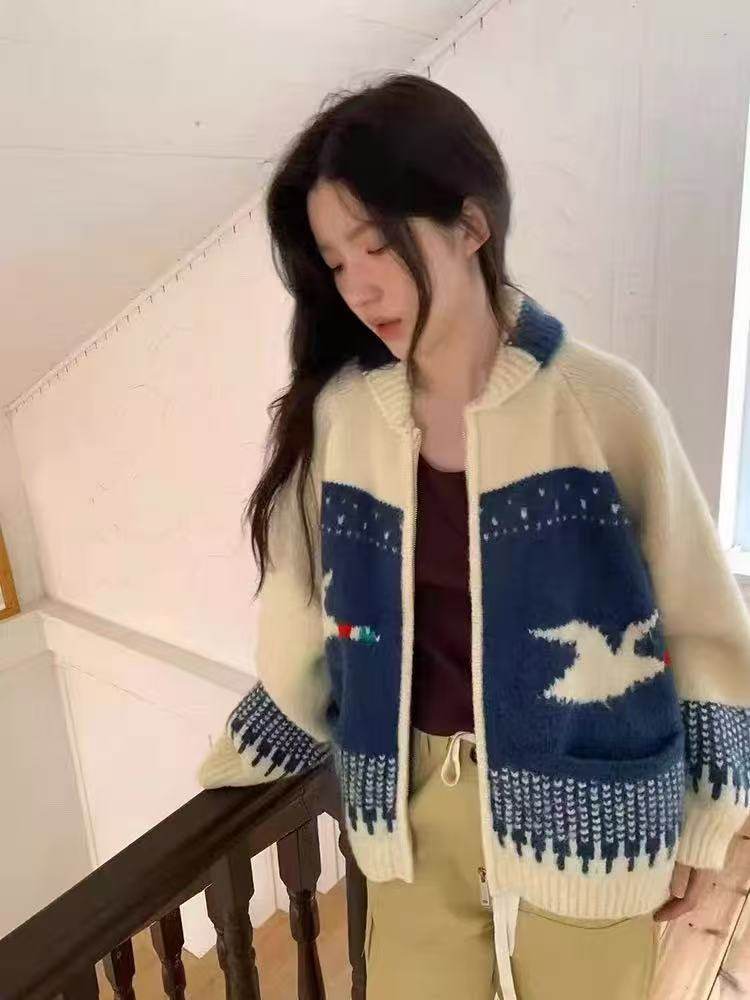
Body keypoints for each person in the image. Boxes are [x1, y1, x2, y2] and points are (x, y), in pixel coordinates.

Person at [197, 73, 750, 999]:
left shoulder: (604, 404)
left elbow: (701, 624)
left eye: (378, 244)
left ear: (471, 225)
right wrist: (259, 741)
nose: (359, 285)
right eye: (335, 262)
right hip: (412, 800)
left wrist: (707, 816)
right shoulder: (343, 417)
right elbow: (302, 609)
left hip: (591, 803)